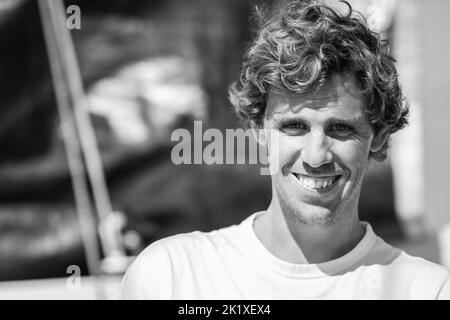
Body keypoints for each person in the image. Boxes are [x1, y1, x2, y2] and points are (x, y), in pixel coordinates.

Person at [117, 1, 450, 299]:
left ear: (377, 136)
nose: (316, 156)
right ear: (259, 131)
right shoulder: (171, 277)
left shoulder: (428, 290)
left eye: (340, 129)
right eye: (295, 127)